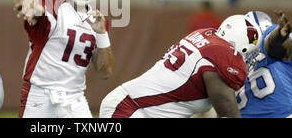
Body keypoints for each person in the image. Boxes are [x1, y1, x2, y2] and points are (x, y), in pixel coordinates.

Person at [99, 14, 262, 118]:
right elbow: (227, 111)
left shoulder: (206, 37)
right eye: (249, 53)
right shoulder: (222, 57)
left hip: (134, 106)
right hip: (129, 109)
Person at [13, 0, 115, 118]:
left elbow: (105, 71)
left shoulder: (97, 20)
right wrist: (30, 1)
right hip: (40, 95)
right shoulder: (54, 3)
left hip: (76, 98)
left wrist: (102, 34)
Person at [236, 10, 292, 118]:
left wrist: (279, 35)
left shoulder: (268, 43)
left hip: (284, 114)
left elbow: (275, 44)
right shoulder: (236, 63)